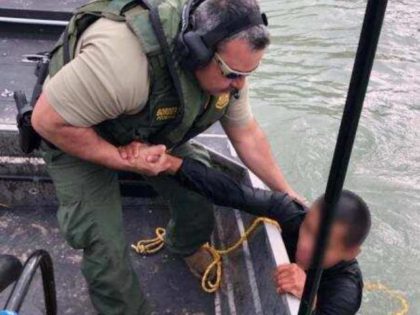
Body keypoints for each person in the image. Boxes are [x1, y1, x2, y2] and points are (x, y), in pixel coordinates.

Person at [31, 0, 303, 313]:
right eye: (232, 74)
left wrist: (287, 193)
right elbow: (47, 121)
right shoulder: (124, 65)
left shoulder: (232, 68)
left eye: (247, 73)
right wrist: (121, 158)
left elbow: (247, 135)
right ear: (196, 50)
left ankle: (184, 244)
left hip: (145, 127)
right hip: (73, 129)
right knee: (105, 247)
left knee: (199, 190)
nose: (239, 84)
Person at [118, 150, 369, 315]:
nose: (306, 245)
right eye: (309, 229)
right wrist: (174, 165)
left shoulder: (345, 289)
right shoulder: (293, 215)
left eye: (323, 244)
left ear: (351, 252)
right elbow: (233, 193)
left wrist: (311, 300)